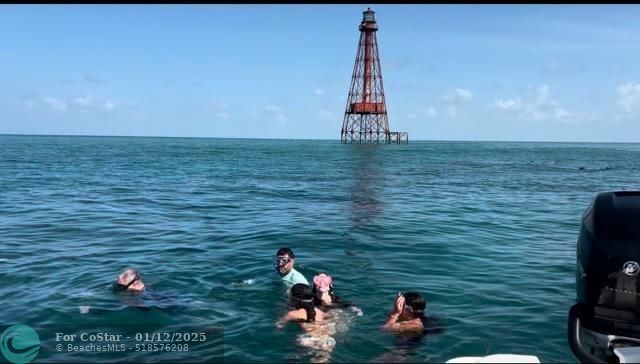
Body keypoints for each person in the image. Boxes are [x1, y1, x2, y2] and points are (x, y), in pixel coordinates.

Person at [276, 283, 336, 362]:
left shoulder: (292, 314)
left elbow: (279, 325)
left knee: (292, 359)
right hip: (327, 341)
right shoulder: (320, 311)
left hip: (308, 341)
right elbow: (330, 317)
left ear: (294, 299)